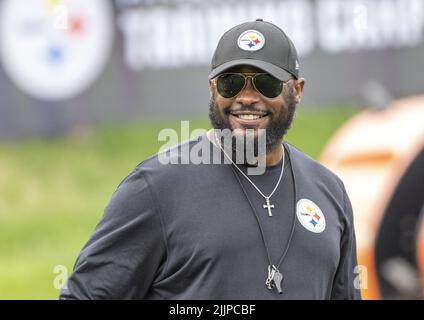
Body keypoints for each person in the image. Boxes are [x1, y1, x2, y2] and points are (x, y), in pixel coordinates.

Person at [60, 19, 361, 300]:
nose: (246, 97)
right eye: (231, 83)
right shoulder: (156, 187)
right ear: (212, 88)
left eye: (266, 83)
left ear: (296, 90)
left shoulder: (329, 192)